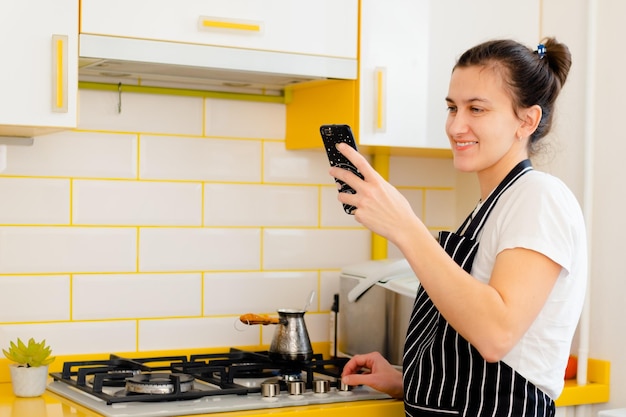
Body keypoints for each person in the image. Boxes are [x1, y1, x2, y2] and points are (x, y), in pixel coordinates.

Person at [331, 37, 587, 417]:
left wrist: (406, 227)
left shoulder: (540, 198)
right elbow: (473, 356)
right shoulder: (492, 207)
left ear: (527, 120)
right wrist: (407, 379)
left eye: (476, 109)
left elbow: (496, 336)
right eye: (452, 107)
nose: (456, 125)